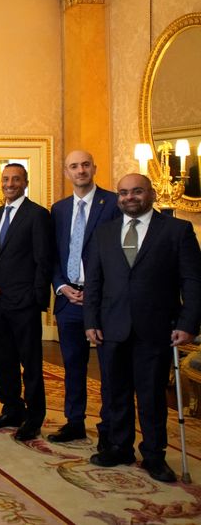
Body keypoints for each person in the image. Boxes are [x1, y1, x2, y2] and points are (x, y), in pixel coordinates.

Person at [84, 173, 201, 482]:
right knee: (115, 392)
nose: (129, 197)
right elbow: (94, 281)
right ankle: (119, 447)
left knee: (150, 395)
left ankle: (153, 454)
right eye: (123, 193)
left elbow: (193, 280)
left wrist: (189, 323)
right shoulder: (104, 232)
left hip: (157, 326)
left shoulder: (177, 230)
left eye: (136, 191)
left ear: (150, 194)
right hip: (112, 326)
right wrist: (91, 321)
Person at [48, 150, 120, 445]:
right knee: (73, 365)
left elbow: (118, 254)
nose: (80, 170)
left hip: (102, 300)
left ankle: (110, 428)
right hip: (68, 299)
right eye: (74, 166)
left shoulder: (114, 203)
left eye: (85, 165)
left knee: (108, 368)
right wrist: (61, 286)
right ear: (67, 172)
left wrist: (95, 290)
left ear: (94, 167)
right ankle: (74, 421)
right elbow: (52, 254)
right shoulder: (59, 209)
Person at [0, 164, 53, 441]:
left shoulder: (37, 215)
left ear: (26, 181)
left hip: (25, 304)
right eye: (6, 179)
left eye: (16, 179)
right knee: (2, 360)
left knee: (30, 363)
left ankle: (34, 418)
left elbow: (43, 260)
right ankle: (11, 408)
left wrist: (36, 299)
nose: (10, 183)